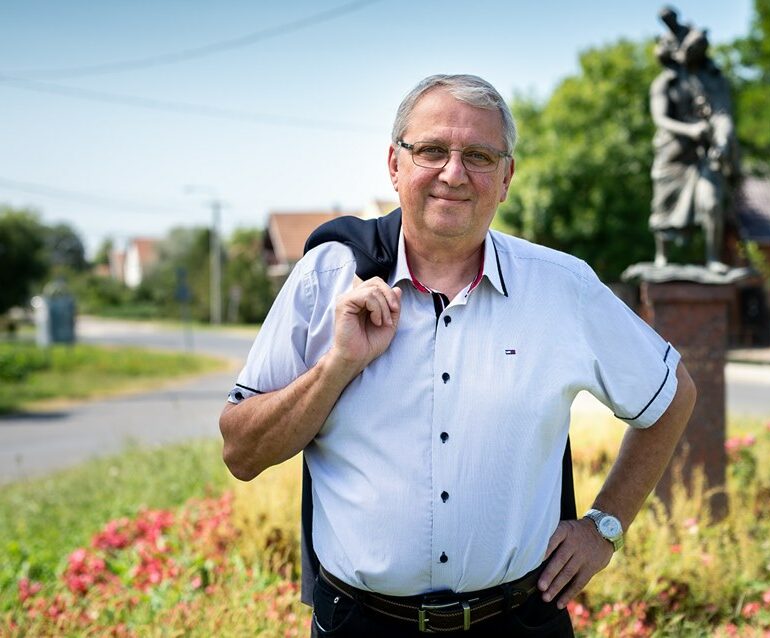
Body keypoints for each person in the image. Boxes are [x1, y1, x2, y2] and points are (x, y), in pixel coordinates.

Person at [220, 74, 697, 637]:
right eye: (431, 151)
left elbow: (671, 396)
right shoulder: (325, 279)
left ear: (506, 177)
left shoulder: (563, 288)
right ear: (395, 166)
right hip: (359, 624)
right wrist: (338, 366)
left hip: (516, 623)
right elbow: (242, 452)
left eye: (478, 155)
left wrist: (605, 526)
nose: (453, 172)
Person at [649, 15, 739, 272]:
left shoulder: (714, 81)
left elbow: (723, 115)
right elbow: (660, 118)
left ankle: (713, 257)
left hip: (704, 153)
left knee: (711, 203)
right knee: (663, 204)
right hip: (673, 152)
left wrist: (722, 140)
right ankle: (662, 257)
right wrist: (690, 129)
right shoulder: (664, 83)